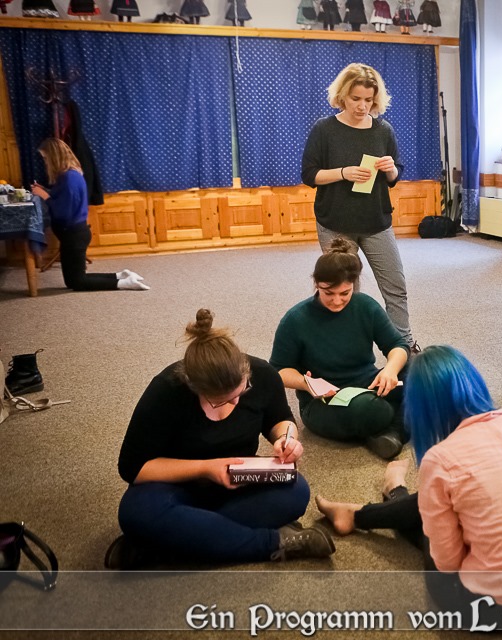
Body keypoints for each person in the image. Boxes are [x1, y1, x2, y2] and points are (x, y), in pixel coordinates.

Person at [315, 346, 502, 617]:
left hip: (490, 609)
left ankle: (389, 495)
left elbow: (447, 561)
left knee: (431, 516)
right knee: (448, 499)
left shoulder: (441, 460)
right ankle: (367, 508)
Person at [108, 309, 334, 569]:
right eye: (222, 400)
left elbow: (280, 419)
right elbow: (133, 468)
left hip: (238, 482)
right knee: (136, 512)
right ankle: (273, 543)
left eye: (242, 391)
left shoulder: (263, 375)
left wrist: (287, 438)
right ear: (194, 387)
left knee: (296, 491)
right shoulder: (166, 391)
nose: (235, 403)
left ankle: (163, 545)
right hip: (176, 485)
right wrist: (206, 468)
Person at [301, 63, 418, 351]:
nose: (362, 106)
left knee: (396, 287)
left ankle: (404, 346)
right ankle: (350, 350)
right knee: (344, 291)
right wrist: (344, 173)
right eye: (356, 99)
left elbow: (395, 176)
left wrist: (391, 169)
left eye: (368, 99)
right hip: (336, 224)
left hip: (376, 222)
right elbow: (309, 175)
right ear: (343, 95)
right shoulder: (324, 129)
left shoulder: (383, 130)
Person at [270, 237, 409, 460]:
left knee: (423, 369)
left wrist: (390, 370)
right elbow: (277, 370)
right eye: (329, 293)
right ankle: (398, 426)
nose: (337, 301)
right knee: (372, 409)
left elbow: (398, 346)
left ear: (354, 285)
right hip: (324, 400)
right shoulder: (295, 319)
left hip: (368, 384)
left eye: (345, 293)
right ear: (317, 284)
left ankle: (391, 433)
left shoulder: (365, 306)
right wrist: (307, 383)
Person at [30, 138, 149, 293]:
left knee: (78, 282)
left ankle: (124, 283)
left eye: (46, 158)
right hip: (70, 234)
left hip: (74, 234)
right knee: (72, 281)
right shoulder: (67, 175)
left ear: (54, 157)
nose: (45, 162)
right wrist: (46, 191)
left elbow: (64, 212)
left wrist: (44, 196)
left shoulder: (69, 178)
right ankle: (121, 275)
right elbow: (63, 198)